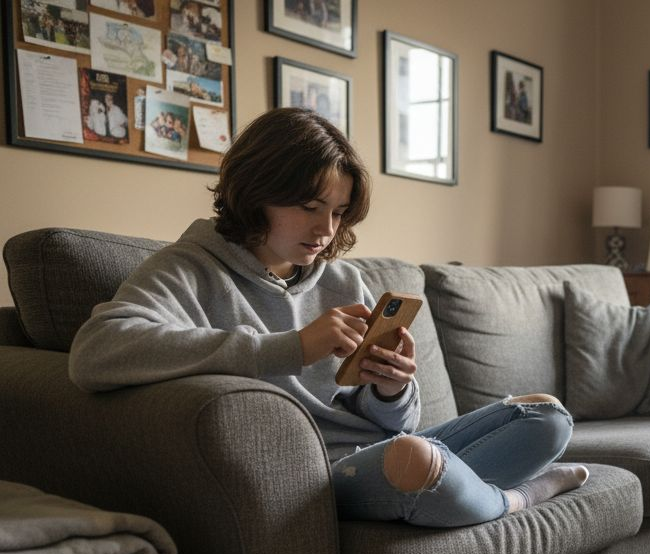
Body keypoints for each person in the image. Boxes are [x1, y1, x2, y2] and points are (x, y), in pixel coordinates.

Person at [69, 107, 589, 528]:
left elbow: (392, 423)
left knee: (545, 416)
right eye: (310, 206)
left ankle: (457, 490)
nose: (325, 229)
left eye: (338, 212)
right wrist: (291, 347)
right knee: (415, 458)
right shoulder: (188, 269)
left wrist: (389, 389)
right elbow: (95, 353)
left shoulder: (340, 281)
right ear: (255, 192)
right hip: (316, 474)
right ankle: (518, 498)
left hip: (382, 449)